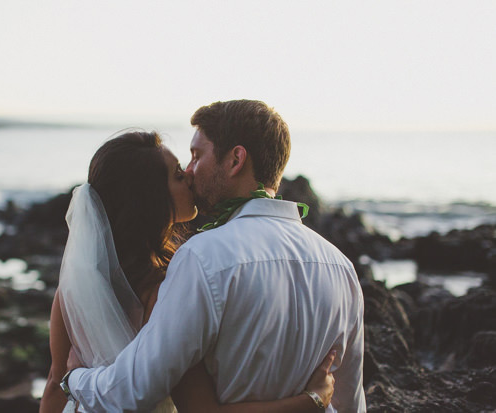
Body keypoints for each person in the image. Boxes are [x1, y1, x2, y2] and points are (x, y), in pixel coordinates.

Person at [63, 101, 366, 412]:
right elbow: (350, 403)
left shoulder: (202, 258)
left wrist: (74, 380)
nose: (191, 172)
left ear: (235, 160)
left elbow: (134, 388)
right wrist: (312, 401)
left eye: (196, 156)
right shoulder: (341, 267)